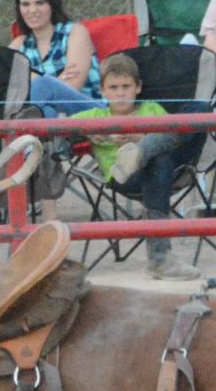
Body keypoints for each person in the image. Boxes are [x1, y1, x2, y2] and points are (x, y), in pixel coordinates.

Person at [75, 52, 205, 281]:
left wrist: (142, 137)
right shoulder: (96, 116)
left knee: (200, 108)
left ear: (138, 87)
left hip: (167, 170)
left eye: (126, 86)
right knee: (159, 160)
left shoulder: (151, 108)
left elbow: (173, 138)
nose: (120, 93)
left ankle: (142, 150)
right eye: (113, 88)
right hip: (123, 177)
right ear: (103, 91)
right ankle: (159, 259)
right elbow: (58, 127)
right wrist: (93, 133)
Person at [9, 0, 101, 116]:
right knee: (46, 111)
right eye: (25, 4)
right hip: (55, 117)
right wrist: (58, 79)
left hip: (91, 112)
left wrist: (35, 81)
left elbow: (73, 86)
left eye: (40, 3)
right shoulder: (19, 45)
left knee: (44, 85)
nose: (32, 10)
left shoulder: (74, 33)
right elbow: (8, 89)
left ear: (52, 4)